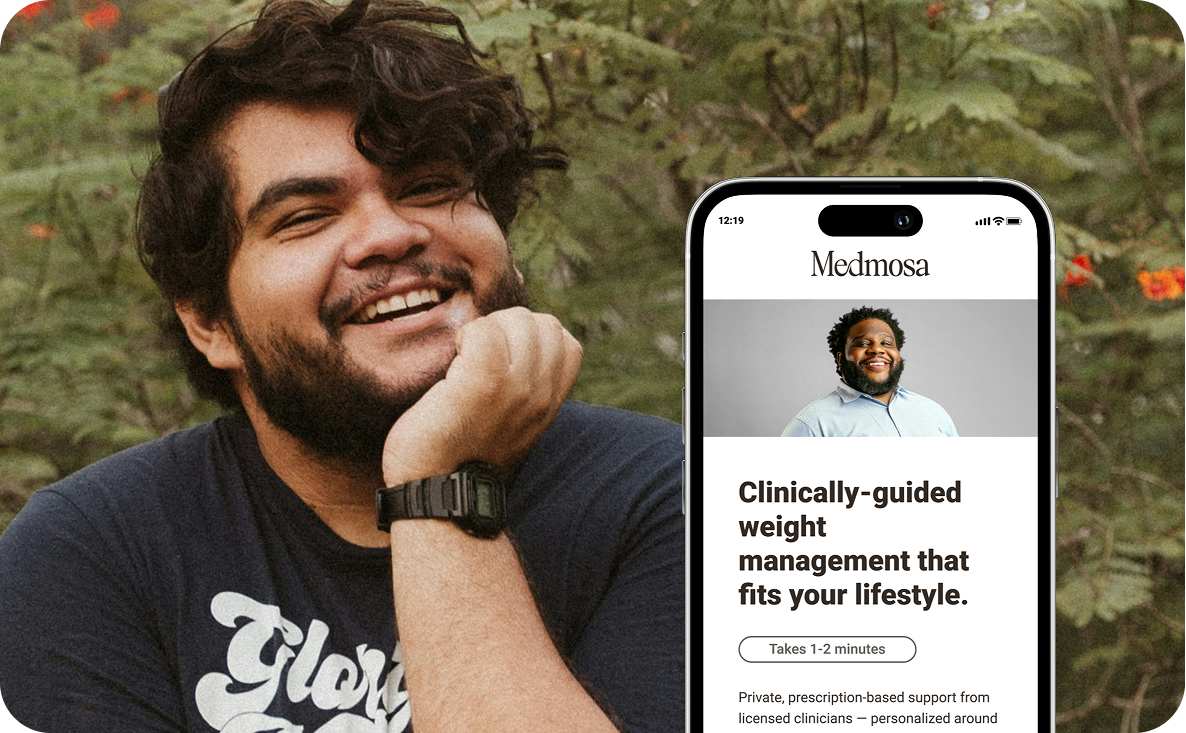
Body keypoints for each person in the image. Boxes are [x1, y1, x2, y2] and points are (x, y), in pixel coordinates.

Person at [0, 2, 683, 732]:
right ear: (209, 321)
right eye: (306, 216)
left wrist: (438, 486)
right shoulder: (89, 554)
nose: (390, 234)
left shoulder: (681, 500)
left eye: (427, 186)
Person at [781, 305, 958, 437]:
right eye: (863, 343)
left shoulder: (934, 411)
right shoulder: (812, 424)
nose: (877, 350)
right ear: (841, 358)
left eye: (887, 343)